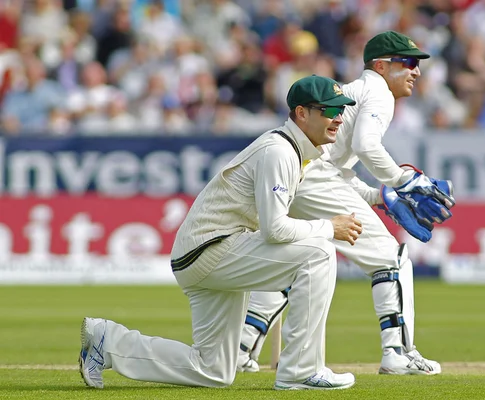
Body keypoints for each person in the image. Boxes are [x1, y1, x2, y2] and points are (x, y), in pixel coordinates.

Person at [78, 75, 362, 390]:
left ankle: (109, 342)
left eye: (341, 110)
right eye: (329, 110)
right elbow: (275, 229)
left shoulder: (296, 150)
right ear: (301, 113)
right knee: (319, 253)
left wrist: (378, 198)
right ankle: (300, 371)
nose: (338, 118)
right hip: (212, 248)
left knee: (212, 370)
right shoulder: (279, 151)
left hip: (206, 253)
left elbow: (311, 202)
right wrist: (329, 227)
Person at [237, 31, 454, 375]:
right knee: (391, 257)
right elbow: (367, 147)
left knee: (289, 264)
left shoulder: (357, 91)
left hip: (300, 175)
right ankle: (397, 353)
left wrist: (377, 195)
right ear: (382, 65)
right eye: (408, 63)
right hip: (310, 177)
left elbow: (335, 167)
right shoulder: (380, 92)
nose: (416, 72)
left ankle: (241, 348)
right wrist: (403, 180)